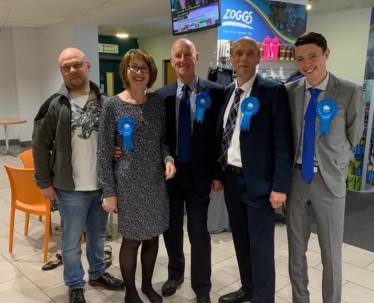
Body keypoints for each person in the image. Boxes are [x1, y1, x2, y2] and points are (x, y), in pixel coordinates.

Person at [32, 47, 124, 303]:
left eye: (76, 65)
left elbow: (118, 138)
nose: (72, 70)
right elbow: (40, 145)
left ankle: (97, 272)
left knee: (96, 236)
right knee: (71, 241)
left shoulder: (108, 102)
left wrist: (118, 151)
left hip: (103, 186)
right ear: (61, 71)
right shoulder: (54, 104)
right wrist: (44, 182)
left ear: (87, 66)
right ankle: (75, 284)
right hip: (70, 189)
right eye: (66, 67)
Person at [285, 32, 365, 303]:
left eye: (313, 56)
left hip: (329, 181)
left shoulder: (349, 91)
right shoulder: (290, 91)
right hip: (296, 179)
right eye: (300, 59)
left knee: (331, 253)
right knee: (296, 251)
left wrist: (335, 164)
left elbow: (353, 137)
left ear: (326, 54)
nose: (307, 64)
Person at [217, 37, 294, 303]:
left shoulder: (273, 91)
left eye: (250, 53)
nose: (243, 59)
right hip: (232, 180)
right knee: (240, 240)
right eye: (238, 53)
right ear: (231, 57)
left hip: (261, 185)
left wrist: (280, 186)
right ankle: (247, 288)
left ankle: (263, 298)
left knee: (260, 248)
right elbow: (223, 137)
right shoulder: (228, 92)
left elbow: (283, 143)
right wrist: (219, 175)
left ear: (259, 57)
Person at [97, 49, 177, 303]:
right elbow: (103, 152)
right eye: (134, 67)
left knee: (152, 238)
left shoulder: (157, 103)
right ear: (125, 71)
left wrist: (168, 159)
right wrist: (108, 191)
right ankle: (131, 291)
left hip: (155, 182)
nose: (139, 72)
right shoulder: (111, 105)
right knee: (131, 240)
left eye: (144, 68)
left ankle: (147, 287)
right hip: (127, 183)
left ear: (151, 73)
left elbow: (162, 142)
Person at [155, 38, 224, 303]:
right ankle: (175, 274)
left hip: (200, 176)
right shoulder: (161, 96)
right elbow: (157, 137)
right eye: (177, 56)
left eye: (187, 54)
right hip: (170, 176)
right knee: (171, 231)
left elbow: (220, 137)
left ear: (196, 57)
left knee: (198, 233)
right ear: (171, 62)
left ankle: (202, 287)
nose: (182, 60)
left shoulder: (216, 92)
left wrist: (218, 173)